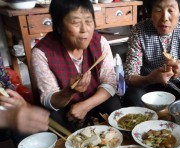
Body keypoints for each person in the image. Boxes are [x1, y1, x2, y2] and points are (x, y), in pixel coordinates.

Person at [31, 0, 122, 131]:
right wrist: (69, 92)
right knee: (53, 116)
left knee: (113, 104)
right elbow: (48, 99)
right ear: (59, 26)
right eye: (76, 22)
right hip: (65, 109)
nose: (85, 29)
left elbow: (110, 82)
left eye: (89, 21)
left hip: (94, 101)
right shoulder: (41, 52)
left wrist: (85, 106)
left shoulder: (100, 42)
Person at [122, 0, 180, 107]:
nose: (165, 18)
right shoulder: (139, 30)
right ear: (150, 12)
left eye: (171, 10)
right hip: (149, 88)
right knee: (131, 95)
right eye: (158, 10)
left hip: (179, 87)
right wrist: (151, 78)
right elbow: (129, 77)